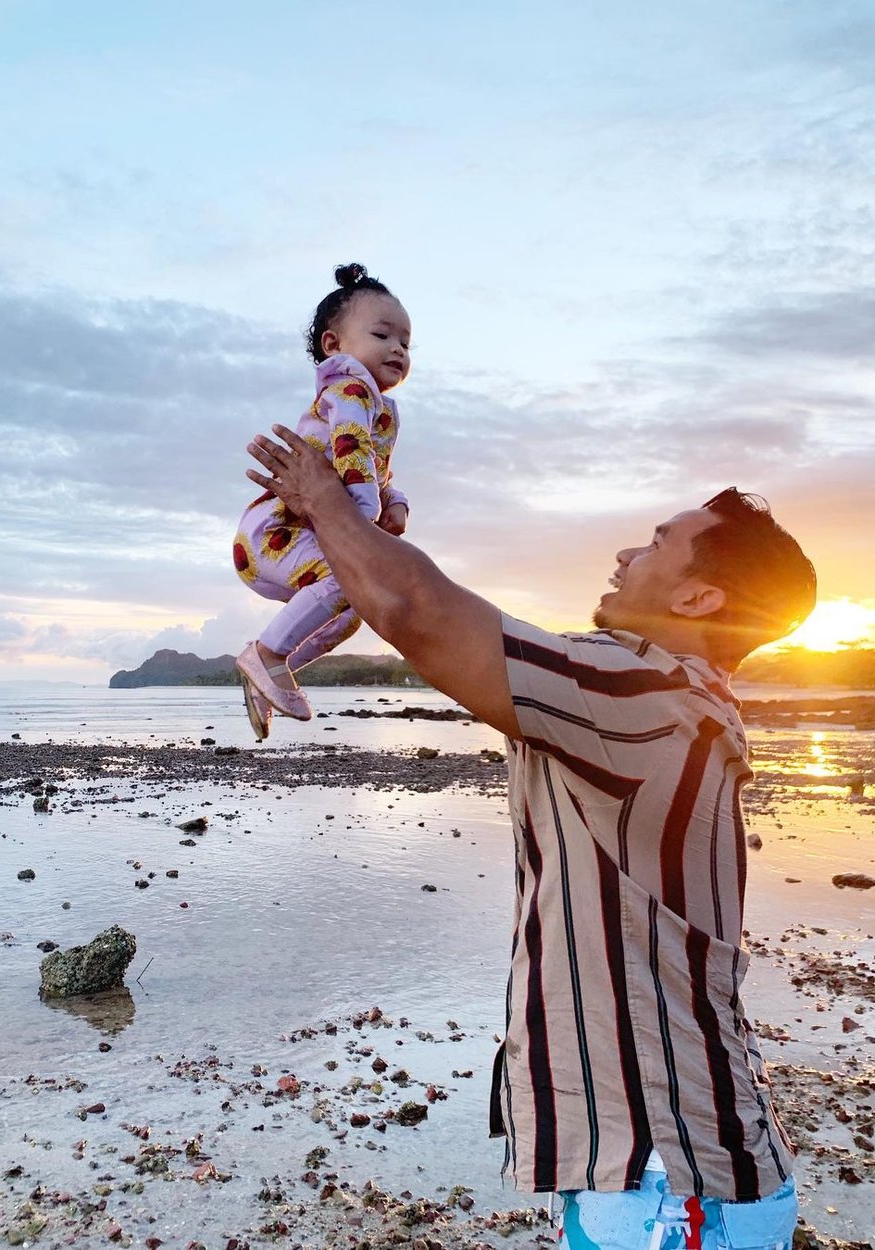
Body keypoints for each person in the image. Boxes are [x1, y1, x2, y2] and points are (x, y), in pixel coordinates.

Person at [245, 425, 817, 1250]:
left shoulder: (647, 694)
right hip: (660, 1174)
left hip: (672, 1186)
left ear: (699, 600)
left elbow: (422, 613)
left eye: (658, 543)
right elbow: (450, 620)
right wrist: (358, 529)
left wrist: (325, 499)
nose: (626, 554)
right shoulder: (664, 698)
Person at [232, 262, 411, 740]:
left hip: (297, 533)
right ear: (334, 345)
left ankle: (272, 667)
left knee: (354, 608)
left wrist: (395, 501)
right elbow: (351, 451)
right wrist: (365, 521)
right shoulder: (349, 389)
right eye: (382, 335)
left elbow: (375, 469)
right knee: (347, 580)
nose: (397, 348)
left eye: (406, 342)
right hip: (276, 531)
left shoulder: (378, 408)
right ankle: (267, 655)